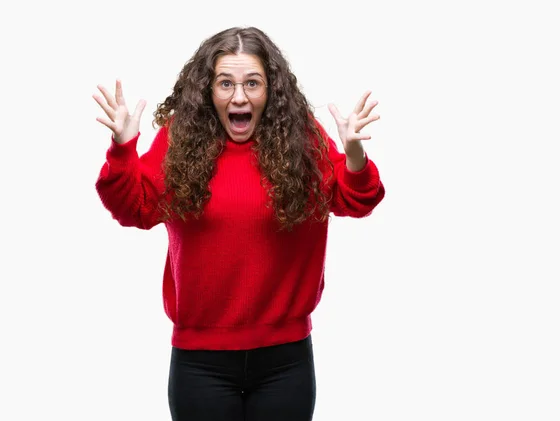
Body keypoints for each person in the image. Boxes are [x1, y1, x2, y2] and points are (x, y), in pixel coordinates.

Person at [93, 26, 385, 421]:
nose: (240, 96)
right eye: (225, 83)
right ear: (208, 91)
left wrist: (353, 156)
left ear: (271, 90)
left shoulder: (304, 141)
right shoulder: (179, 140)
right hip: (200, 363)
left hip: (286, 361)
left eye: (253, 83)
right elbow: (135, 208)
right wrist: (122, 151)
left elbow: (356, 200)